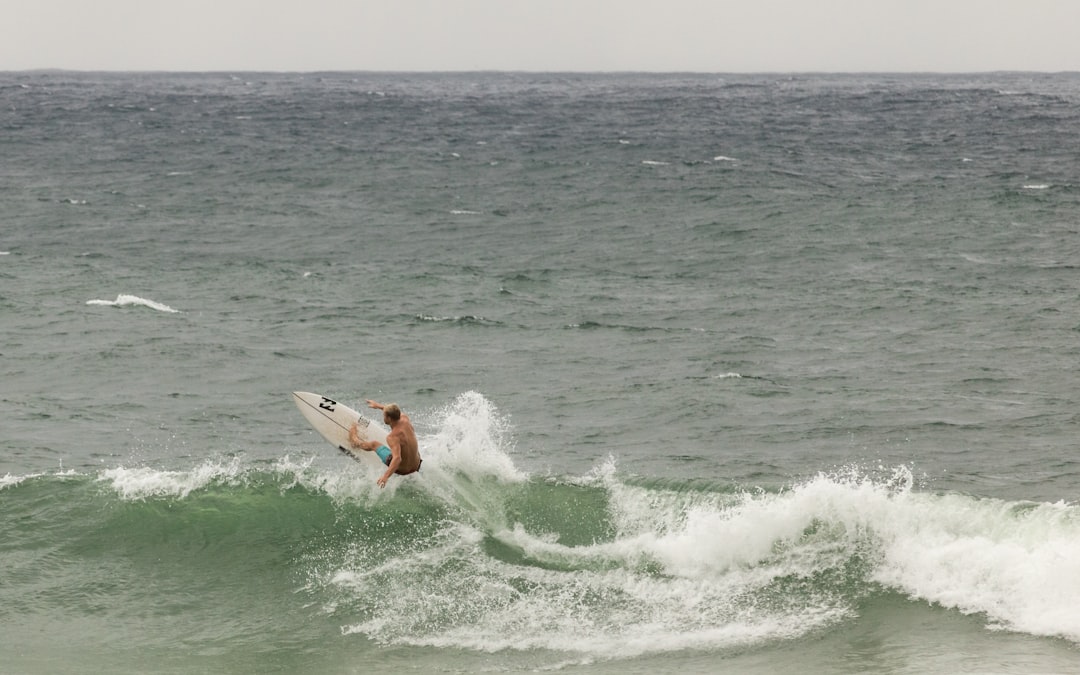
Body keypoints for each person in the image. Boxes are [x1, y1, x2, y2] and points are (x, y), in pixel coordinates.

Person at [348, 399, 422, 487]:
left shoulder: (392, 437)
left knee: (374, 444)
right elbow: (394, 412)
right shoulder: (405, 419)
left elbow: (397, 458)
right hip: (417, 465)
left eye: (384, 415)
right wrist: (378, 406)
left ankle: (354, 442)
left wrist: (385, 477)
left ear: (389, 418)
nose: (383, 417)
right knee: (401, 446)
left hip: (403, 470)